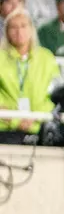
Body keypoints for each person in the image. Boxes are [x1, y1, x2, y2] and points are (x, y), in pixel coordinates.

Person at [0, 9, 56, 144]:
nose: (19, 31)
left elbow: (55, 94)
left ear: (31, 29)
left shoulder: (46, 58)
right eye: (13, 27)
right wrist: (15, 120)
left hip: (38, 127)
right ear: (7, 32)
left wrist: (34, 117)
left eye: (23, 26)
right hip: (5, 128)